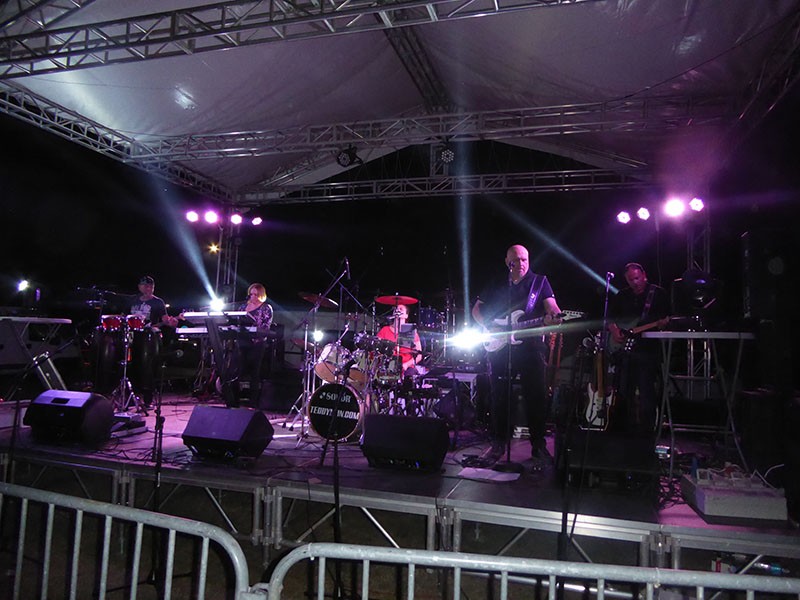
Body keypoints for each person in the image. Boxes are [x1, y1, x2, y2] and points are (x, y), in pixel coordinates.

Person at [471, 244, 562, 466]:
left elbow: (552, 306)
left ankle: (538, 445)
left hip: (531, 346)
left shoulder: (539, 282)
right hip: (500, 347)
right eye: (516, 260)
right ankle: (498, 443)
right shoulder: (497, 282)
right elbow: (476, 310)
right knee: (499, 395)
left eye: (524, 259)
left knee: (536, 395)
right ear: (507, 262)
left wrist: (554, 315)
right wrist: (488, 325)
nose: (521, 263)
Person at [607, 262, 670, 438]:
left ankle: (646, 435)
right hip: (624, 351)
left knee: (646, 392)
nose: (635, 283)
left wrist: (662, 324)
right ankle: (623, 433)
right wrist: (615, 331)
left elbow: (666, 318)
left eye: (637, 278)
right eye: (630, 280)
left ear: (644, 275)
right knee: (623, 391)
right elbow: (610, 318)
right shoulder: (622, 295)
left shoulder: (658, 294)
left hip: (648, 350)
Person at [125, 275, 179, 409]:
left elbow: (165, 320)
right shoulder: (132, 300)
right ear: (139, 287)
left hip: (148, 336)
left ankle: (147, 399)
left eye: (151, 286)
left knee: (146, 366)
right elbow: (124, 316)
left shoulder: (158, 302)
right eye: (145, 286)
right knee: (130, 365)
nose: (148, 289)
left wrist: (172, 322)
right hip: (131, 335)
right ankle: (129, 396)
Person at [228, 283, 273, 408]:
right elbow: (236, 321)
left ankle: (253, 402)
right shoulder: (243, 307)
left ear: (261, 295)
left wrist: (253, 327)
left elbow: (265, 327)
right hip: (242, 342)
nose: (253, 297)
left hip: (257, 343)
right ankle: (234, 400)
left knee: (254, 373)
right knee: (235, 371)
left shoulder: (266, 308)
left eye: (256, 294)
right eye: (251, 294)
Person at [376, 303, 423, 380]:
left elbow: (419, 355)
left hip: (407, 366)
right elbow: (376, 349)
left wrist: (406, 365)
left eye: (401, 309)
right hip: (388, 366)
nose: (398, 310)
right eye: (396, 309)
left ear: (406, 315)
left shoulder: (410, 331)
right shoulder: (385, 330)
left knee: (409, 379)